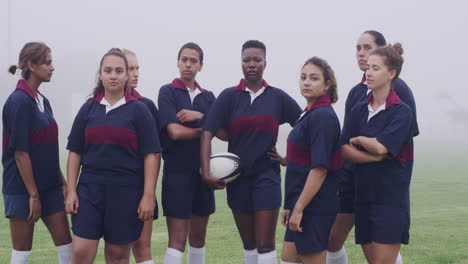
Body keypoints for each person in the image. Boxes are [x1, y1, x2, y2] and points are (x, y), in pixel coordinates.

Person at [200, 40, 302, 264]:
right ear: (241, 63)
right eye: (247, 60)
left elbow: (305, 125)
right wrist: (206, 172)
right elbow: (207, 132)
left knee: (265, 244)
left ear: (265, 62)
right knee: (249, 244)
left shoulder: (277, 97)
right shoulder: (229, 97)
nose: (252, 64)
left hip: (267, 176)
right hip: (238, 180)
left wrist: (289, 159)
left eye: (257, 60)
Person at [327, 30, 419, 264]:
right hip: (356, 183)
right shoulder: (357, 97)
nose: (362, 55)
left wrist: (367, 144)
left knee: (383, 253)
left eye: (367, 48)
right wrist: (365, 152)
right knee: (334, 241)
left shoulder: (401, 96)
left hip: (389, 190)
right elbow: (344, 144)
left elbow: (391, 144)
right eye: (358, 49)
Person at [65, 48, 161, 264]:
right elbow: (75, 152)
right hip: (90, 190)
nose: (113, 75)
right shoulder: (88, 109)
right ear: (100, 74)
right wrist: (71, 190)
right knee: (80, 251)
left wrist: (148, 195)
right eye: (108, 70)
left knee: (117, 256)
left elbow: (152, 156)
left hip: (127, 191)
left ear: (126, 75)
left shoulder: (139, 110)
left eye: (119, 70)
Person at [2, 42, 72, 264]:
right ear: (31, 65)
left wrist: (61, 181)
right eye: (47, 62)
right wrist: (33, 195)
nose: (52, 68)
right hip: (23, 190)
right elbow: (20, 153)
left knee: (68, 250)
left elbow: (48, 149)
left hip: (50, 188)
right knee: (21, 255)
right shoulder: (19, 101)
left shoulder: (44, 101)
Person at [277, 57, 341, 264]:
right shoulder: (308, 114)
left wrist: (299, 208)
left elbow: (319, 169)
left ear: (327, 84)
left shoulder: (323, 116)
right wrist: (290, 205)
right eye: (303, 77)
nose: (306, 82)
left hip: (314, 207)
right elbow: (299, 165)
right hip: (300, 203)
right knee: (288, 260)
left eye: (314, 78)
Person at [158, 42, 217, 264]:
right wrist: (205, 129)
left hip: (204, 174)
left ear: (201, 66)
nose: (188, 65)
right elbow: (174, 132)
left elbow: (221, 130)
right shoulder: (167, 92)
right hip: (176, 175)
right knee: (177, 240)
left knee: (198, 239)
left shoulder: (208, 97)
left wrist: (198, 116)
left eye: (193, 61)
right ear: (177, 62)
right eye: (184, 60)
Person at [123, 49, 161, 264]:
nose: (136, 73)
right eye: (131, 68)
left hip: (140, 189)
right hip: (110, 190)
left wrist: (149, 193)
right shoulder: (98, 105)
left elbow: (155, 154)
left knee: (142, 248)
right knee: (117, 250)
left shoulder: (146, 106)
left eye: (137, 68)